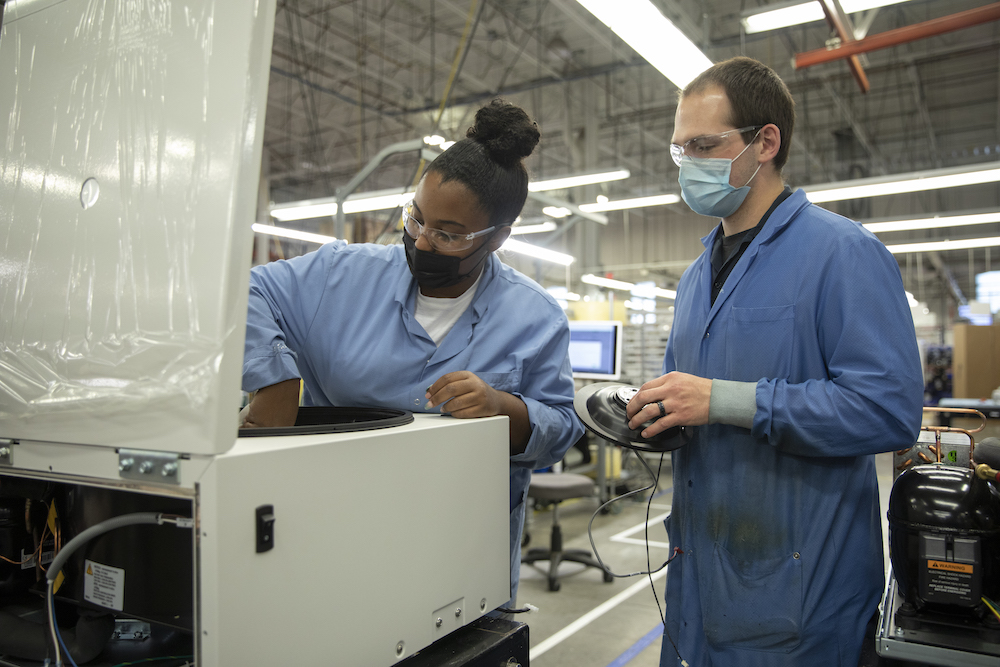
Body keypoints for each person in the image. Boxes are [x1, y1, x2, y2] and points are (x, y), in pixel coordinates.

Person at [625, 57, 923, 666]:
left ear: (766, 142)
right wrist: (657, 416)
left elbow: (887, 411)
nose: (689, 164)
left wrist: (724, 400)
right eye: (681, 150)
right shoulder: (691, 280)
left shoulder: (842, 253)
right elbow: (694, 400)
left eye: (705, 145)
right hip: (700, 586)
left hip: (806, 595)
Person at [240, 99, 584, 607]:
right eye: (417, 219)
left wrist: (501, 409)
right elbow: (244, 290)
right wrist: (275, 380)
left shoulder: (535, 318)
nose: (422, 243)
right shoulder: (339, 276)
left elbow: (560, 429)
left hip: (462, 559)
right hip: (333, 533)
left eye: (448, 234)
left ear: (497, 238)